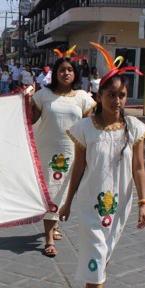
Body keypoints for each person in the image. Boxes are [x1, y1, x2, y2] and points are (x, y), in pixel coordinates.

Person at [58, 61, 145, 288]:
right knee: (97, 252)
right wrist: (67, 202)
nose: (117, 101)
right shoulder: (84, 128)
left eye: (121, 95)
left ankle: (90, 287)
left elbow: (139, 167)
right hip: (89, 202)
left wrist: (144, 202)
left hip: (120, 202)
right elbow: (78, 168)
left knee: (105, 253)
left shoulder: (134, 128)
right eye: (111, 95)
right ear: (99, 96)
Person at [30, 52, 96, 258]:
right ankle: (49, 238)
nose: (66, 73)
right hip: (48, 152)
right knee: (51, 190)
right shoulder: (43, 95)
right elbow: (30, 119)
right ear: (55, 74)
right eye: (61, 70)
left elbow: (92, 124)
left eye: (69, 70)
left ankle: (54, 224)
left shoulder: (83, 97)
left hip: (73, 153)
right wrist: (23, 101)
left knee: (64, 192)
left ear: (75, 74)